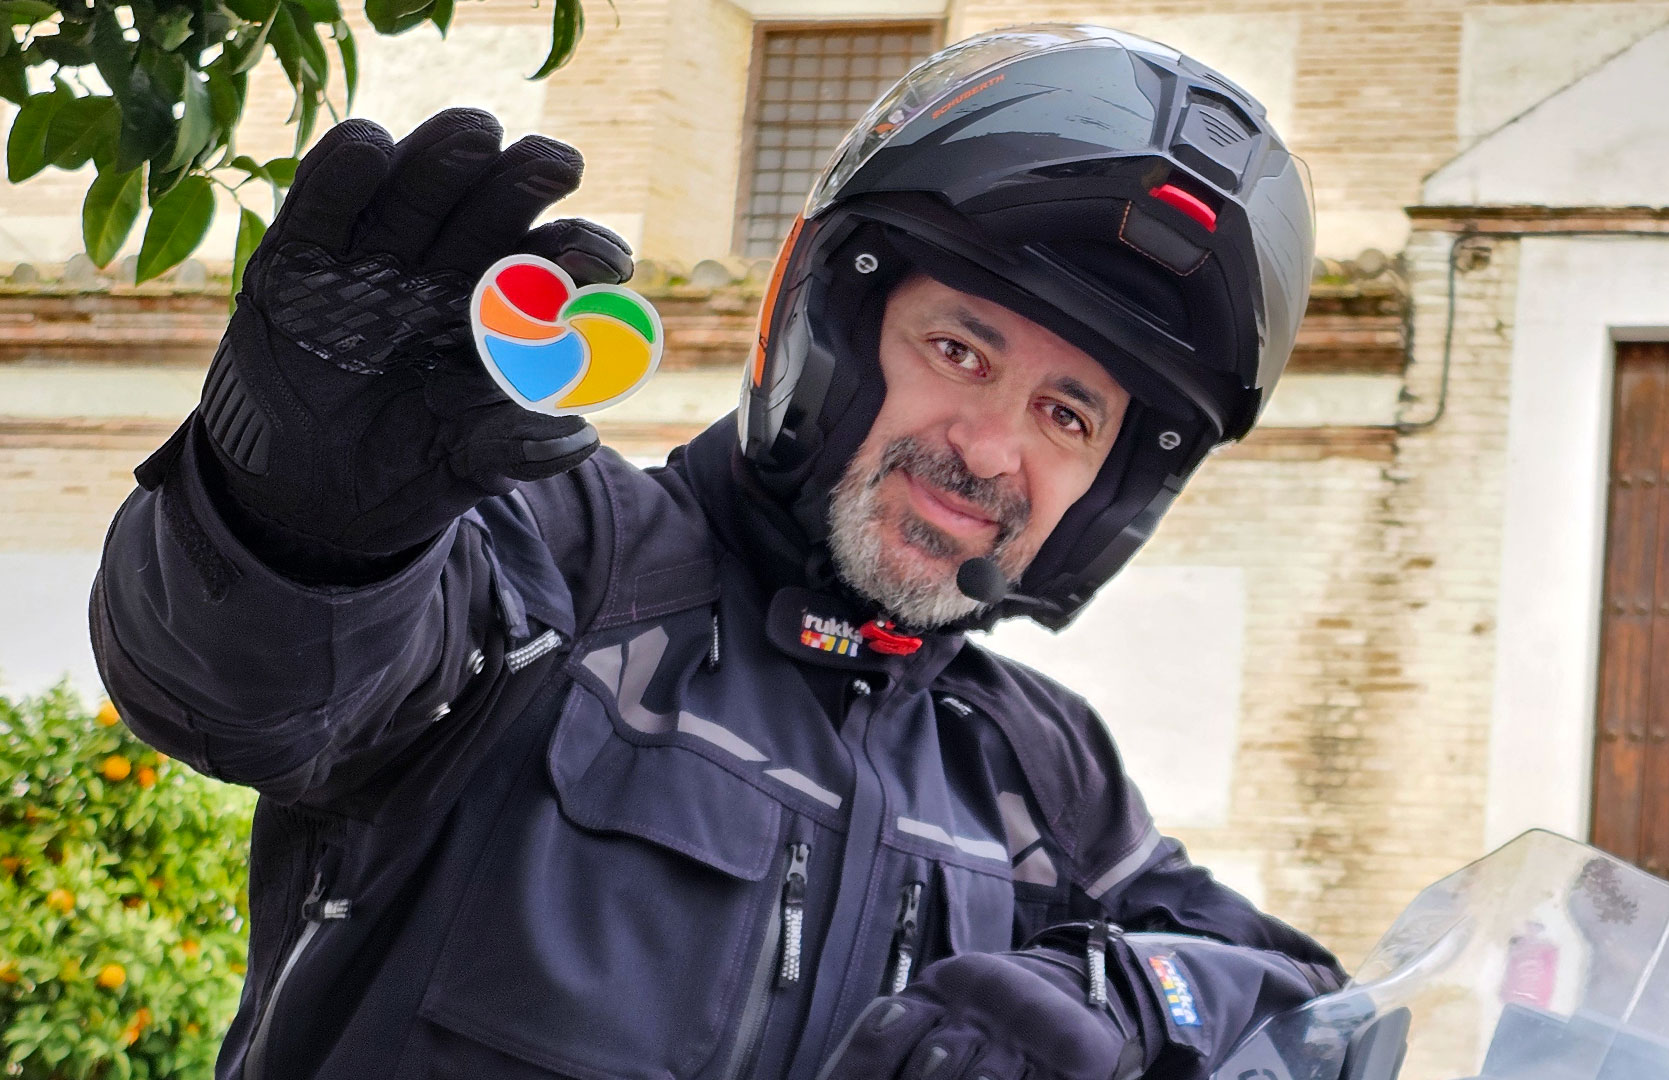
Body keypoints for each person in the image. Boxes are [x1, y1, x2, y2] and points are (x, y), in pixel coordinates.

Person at [89, 25, 1344, 1080]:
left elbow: (1319, 1013)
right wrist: (299, 521)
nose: (989, 449)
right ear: (829, 326)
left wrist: (1127, 1000)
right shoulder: (567, 559)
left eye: (1068, 417)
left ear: (1115, 487)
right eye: (959, 351)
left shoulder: (1035, 767)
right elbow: (238, 692)